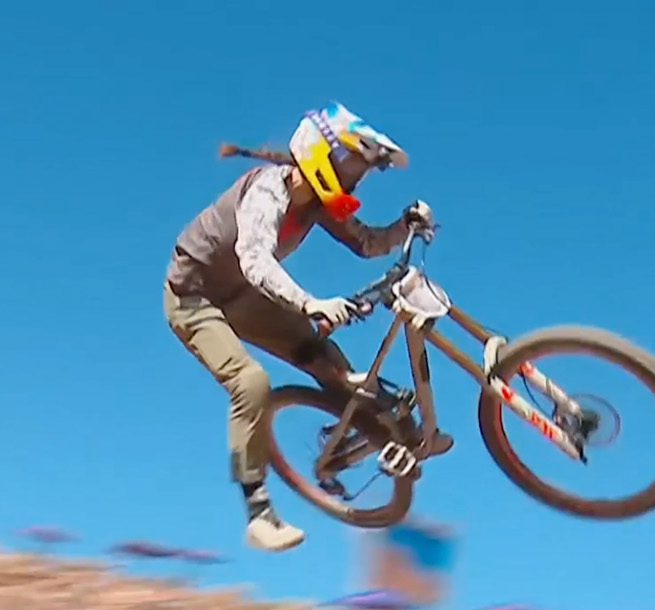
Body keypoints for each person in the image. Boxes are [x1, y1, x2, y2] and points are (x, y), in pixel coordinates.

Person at [163, 103, 445, 553]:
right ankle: (259, 514)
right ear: (321, 155)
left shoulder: (318, 204)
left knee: (330, 364)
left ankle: (361, 436)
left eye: (362, 171)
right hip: (194, 300)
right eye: (353, 166)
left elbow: (367, 243)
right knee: (251, 384)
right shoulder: (267, 192)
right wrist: (311, 303)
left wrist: (404, 227)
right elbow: (255, 260)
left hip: (245, 298)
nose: (357, 179)